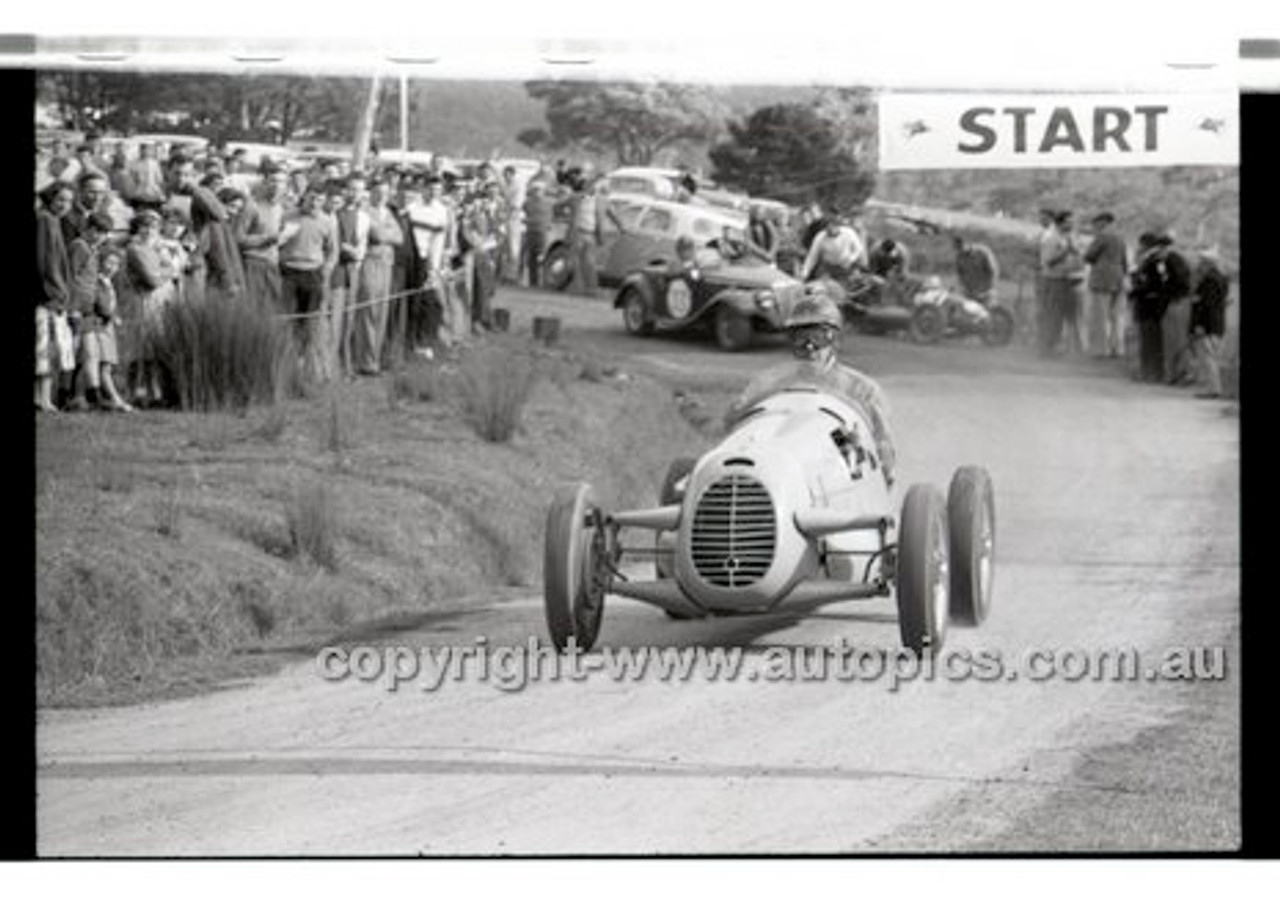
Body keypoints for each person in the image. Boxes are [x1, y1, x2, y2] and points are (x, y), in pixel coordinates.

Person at [725, 288, 897, 484]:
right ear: (791, 342)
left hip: (837, 478)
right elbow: (733, 423)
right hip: (780, 467)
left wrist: (881, 465)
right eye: (801, 338)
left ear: (835, 340)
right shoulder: (769, 382)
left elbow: (883, 449)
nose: (809, 346)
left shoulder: (862, 389)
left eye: (818, 337)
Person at [278, 183, 337, 381]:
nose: (315, 203)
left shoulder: (328, 222)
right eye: (312, 198)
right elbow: (276, 242)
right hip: (288, 272)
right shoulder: (288, 216)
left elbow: (332, 251)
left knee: (309, 323)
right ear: (304, 197)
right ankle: (286, 365)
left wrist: (326, 270)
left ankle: (305, 367)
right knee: (287, 320)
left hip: (313, 274)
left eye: (320, 199)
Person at [352, 172, 404, 375]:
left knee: (382, 311)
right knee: (368, 311)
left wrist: (386, 235)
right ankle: (365, 360)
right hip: (370, 263)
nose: (382, 195)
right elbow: (378, 234)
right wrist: (386, 234)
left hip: (387, 264)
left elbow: (399, 238)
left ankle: (375, 358)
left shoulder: (388, 212)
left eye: (385, 192)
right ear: (370, 193)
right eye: (378, 192)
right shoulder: (365, 211)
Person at [79, 245, 133, 412]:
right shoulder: (96, 281)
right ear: (101, 263)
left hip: (107, 328)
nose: (112, 267)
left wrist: (115, 315)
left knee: (106, 364)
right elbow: (99, 303)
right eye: (109, 262)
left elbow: (111, 303)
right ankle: (114, 399)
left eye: (116, 264)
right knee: (103, 365)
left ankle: (103, 398)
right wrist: (111, 316)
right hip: (99, 326)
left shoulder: (110, 283)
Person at [36, 182, 75, 412]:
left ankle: (43, 398)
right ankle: (43, 399)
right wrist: (56, 293)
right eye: (60, 199)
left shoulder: (53, 220)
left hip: (52, 293)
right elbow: (45, 262)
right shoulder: (45, 220)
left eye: (69, 201)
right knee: (46, 347)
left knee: (49, 347)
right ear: (50, 198)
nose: (65, 205)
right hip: (48, 296)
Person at [237, 165, 288, 314]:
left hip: (273, 265)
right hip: (253, 264)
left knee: (272, 312)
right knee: (252, 311)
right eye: (273, 181)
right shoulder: (252, 206)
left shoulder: (284, 208)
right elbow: (239, 239)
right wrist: (268, 238)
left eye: (281, 182)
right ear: (264, 182)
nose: (277, 186)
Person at [1082, 212, 1130, 358]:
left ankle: (1101, 350)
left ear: (1103, 222)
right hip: (1118, 277)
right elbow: (1124, 261)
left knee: (1100, 316)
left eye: (1097, 222)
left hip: (1102, 279)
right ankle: (1118, 348)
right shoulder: (1120, 237)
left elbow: (1088, 256)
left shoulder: (1102, 236)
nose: (1095, 225)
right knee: (1117, 317)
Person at [1040, 210, 1086, 356]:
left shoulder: (1069, 236)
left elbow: (1079, 255)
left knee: (1069, 316)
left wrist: (1075, 251)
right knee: (1054, 315)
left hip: (1070, 280)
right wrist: (1066, 251)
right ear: (1060, 223)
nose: (1072, 224)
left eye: (1072, 221)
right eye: (1068, 222)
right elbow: (1048, 261)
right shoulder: (1051, 238)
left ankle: (1068, 348)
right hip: (1055, 280)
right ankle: (1049, 347)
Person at [1189, 246, 1230, 399]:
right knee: (1211, 356)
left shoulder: (1210, 281)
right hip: (1217, 324)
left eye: (1202, 261)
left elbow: (1206, 305)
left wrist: (1200, 325)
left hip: (1208, 325)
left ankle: (1213, 389)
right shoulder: (1221, 278)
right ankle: (1212, 387)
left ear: (1209, 263)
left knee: (1208, 357)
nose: (1200, 264)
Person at [1157, 232, 1195, 385]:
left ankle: (1184, 373)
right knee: (1177, 339)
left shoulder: (1171, 259)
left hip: (1177, 302)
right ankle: (1177, 374)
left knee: (1176, 340)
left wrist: (1167, 289)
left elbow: (1179, 280)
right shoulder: (1179, 258)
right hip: (1181, 301)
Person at [800, 211, 867, 287]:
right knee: (823, 288)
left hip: (846, 267)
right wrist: (805, 273)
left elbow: (858, 248)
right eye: (827, 228)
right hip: (829, 268)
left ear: (837, 226)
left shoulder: (849, 233)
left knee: (848, 286)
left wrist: (851, 259)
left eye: (832, 227)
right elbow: (812, 257)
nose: (830, 230)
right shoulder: (820, 237)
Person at [567, 174, 604, 295]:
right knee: (578, 261)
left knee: (589, 263)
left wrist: (599, 235)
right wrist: (596, 177)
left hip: (589, 233)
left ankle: (591, 288)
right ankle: (578, 288)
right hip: (579, 232)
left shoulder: (596, 200)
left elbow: (598, 219)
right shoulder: (578, 197)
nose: (594, 188)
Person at [521, 180, 553, 287]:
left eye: (539, 190)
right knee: (531, 257)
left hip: (542, 231)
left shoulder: (549, 202)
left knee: (542, 256)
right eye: (535, 190)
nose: (537, 192)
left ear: (543, 191)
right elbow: (522, 213)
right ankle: (533, 281)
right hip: (530, 231)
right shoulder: (527, 202)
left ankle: (544, 281)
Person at [952, 234, 999, 305]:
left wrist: (990, 287)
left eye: (960, 246)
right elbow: (960, 273)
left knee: (988, 313)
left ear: (967, 243)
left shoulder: (983, 252)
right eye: (957, 248)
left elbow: (993, 270)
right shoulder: (959, 257)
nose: (959, 250)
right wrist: (964, 287)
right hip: (970, 293)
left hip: (986, 292)